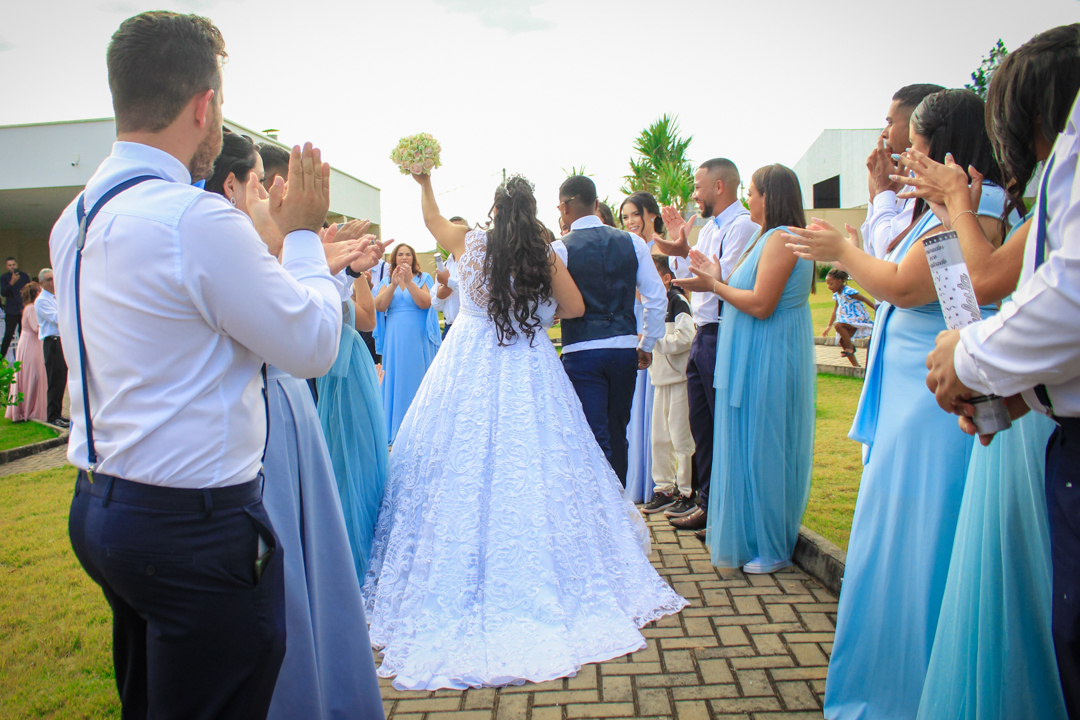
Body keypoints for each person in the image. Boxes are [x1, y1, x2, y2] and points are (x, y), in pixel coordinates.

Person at [59, 11, 370, 718]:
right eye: (221, 104)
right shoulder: (193, 221)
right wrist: (300, 243)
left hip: (103, 508)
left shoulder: (76, 216)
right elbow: (314, 347)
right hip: (191, 531)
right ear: (204, 106)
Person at [363, 169, 686, 691]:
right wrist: (537, 317)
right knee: (537, 464)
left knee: (459, 466)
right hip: (530, 365)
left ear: (493, 210)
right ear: (534, 210)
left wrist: (424, 179)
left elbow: (429, 218)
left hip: (466, 368)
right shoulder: (543, 254)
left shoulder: (471, 246)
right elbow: (576, 307)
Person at [783, 88, 1012, 720]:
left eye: (914, 145)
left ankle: (910, 693)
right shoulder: (942, 207)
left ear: (944, 147)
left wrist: (842, 254)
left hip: (936, 400)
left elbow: (904, 287)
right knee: (893, 540)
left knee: (917, 544)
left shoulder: (978, 209)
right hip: (914, 388)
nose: (906, 157)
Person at [918, 25, 1080, 720]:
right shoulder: (1037, 190)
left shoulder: (990, 204)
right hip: (1026, 383)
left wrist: (956, 203)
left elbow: (977, 282)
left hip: (1015, 369)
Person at [203, 132, 387, 719]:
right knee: (285, 584)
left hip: (286, 410)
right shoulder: (224, 242)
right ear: (231, 185)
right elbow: (307, 341)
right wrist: (309, 245)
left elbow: (305, 310)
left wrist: (327, 262)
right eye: (261, 179)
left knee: (310, 576)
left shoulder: (249, 246)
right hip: (263, 424)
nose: (273, 190)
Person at [676, 164, 815, 571]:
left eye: (753, 192)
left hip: (770, 352)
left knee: (767, 445)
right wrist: (716, 275)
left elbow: (761, 303)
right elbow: (746, 289)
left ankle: (772, 546)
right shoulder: (764, 237)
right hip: (757, 350)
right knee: (752, 443)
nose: (748, 198)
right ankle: (756, 534)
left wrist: (714, 286)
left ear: (770, 197)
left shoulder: (782, 238)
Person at [653, 159, 760, 530]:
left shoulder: (742, 225)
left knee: (720, 423)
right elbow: (688, 276)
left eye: (698, 187)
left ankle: (724, 507)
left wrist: (687, 264)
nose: (694, 194)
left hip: (723, 331)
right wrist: (679, 248)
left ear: (719, 186)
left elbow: (724, 280)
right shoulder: (712, 228)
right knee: (701, 424)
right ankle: (707, 501)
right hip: (703, 333)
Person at [556, 175, 666, 486]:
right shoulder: (632, 242)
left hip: (581, 350)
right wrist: (648, 342)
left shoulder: (560, 249)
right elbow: (656, 297)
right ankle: (620, 504)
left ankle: (603, 516)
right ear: (595, 203)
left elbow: (549, 305)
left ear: (565, 207)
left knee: (592, 434)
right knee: (619, 432)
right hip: (624, 349)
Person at [318, 234, 390, 583]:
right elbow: (369, 320)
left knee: (348, 454)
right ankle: (354, 550)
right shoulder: (328, 283)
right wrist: (358, 274)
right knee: (351, 455)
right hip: (345, 373)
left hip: (344, 369)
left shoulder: (329, 283)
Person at [861, 84, 945, 259]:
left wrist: (883, 192)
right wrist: (874, 195)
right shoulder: (904, 182)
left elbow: (888, 255)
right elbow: (873, 255)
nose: (884, 134)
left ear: (918, 126)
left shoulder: (937, 187)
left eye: (890, 123)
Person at [641, 255, 695, 514]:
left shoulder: (677, 301)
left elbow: (686, 338)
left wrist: (654, 342)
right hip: (660, 379)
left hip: (679, 379)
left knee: (680, 437)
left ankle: (687, 492)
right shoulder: (652, 305)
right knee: (660, 438)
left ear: (665, 278)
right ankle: (664, 488)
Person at [620, 192, 665, 502]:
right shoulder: (629, 248)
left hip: (657, 332)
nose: (630, 222)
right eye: (624, 217)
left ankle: (659, 481)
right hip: (633, 329)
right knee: (636, 408)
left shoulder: (662, 248)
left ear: (651, 214)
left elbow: (664, 293)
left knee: (657, 412)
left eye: (635, 214)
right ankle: (636, 479)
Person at [375, 242, 439, 442]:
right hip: (395, 336)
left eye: (408, 255)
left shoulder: (423, 278)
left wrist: (409, 281)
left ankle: (419, 428)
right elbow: (379, 305)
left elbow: (425, 303)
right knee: (396, 375)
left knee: (416, 374)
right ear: (394, 258)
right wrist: (394, 284)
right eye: (400, 254)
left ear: (413, 259)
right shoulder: (387, 280)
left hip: (417, 334)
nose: (404, 258)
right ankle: (395, 427)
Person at [6, 282, 47, 422]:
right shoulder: (31, 309)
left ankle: (31, 407)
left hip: (32, 343)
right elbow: (37, 327)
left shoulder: (29, 308)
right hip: (31, 344)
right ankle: (30, 409)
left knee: (34, 373)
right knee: (32, 374)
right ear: (36, 294)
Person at [35, 269, 67, 427]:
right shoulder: (42, 300)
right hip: (52, 342)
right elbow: (57, 318)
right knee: (55, 379)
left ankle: (58, 413)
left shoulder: (56, 298)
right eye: (48, 280)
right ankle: (53, 415)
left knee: (61, 379)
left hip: (61, 340)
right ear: (42, 283)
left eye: (54, 278)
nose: (52, 282)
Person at [822, 269, 874, 367]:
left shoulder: (848, 291)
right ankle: (856, 366)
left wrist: (878, 310)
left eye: (831, 284)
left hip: (857, 319)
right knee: (842, 341)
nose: (829, 287)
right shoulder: (837, 295)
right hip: (846, 320)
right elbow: (835, 310)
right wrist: (828, 326)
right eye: (827, 284)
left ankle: (850, 346)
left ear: (839, 282)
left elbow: (865, 299)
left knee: (837, 325)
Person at [431, 216, 468, 340]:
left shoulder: (475, 261)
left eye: (459, 229)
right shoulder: (446, 265)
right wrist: (440, 296)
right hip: (449, 328)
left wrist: (449, 282)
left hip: (469, 328)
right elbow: (437, 305)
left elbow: (476, 293)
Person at [0, 258, 30, 359]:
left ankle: (23, 357)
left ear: (16, 264)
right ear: (6, 266)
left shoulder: (24, 276)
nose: (12, 267)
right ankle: (1, 358)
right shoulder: (4, 277)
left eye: (13, 264)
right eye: (10, 265)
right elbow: (3, 293)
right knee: (8, 335)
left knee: (24, 334)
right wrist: (11, 282)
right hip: (12, 310)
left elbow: (29, 290)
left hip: (23, 309)